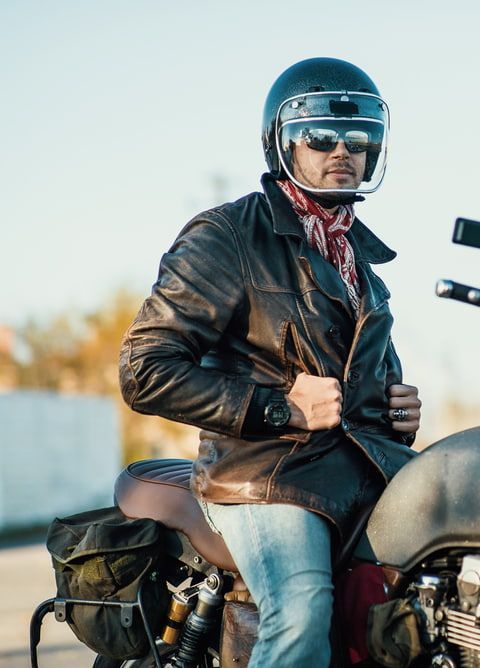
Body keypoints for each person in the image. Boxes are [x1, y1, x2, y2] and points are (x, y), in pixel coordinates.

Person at [118, 57, 420, 666]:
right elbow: (144, 370)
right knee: (301, 609)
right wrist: (282, 408)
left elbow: (353, 386)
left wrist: (397, 409)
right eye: (321, 137)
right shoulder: (229, 235)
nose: (343, 150)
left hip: (361, 473)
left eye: (359, 138)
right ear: (282, 144)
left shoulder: (358, 260)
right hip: (264, 474)